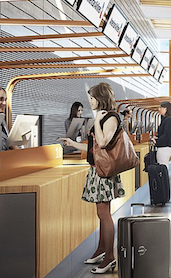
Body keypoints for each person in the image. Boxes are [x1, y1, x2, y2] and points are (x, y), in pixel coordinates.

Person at [60, 83, 125, 274]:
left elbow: (103, 142)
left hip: (104, 173)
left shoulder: (110, 118)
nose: (90, 101)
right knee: (101, 213)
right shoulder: (104, 117)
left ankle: (109, 257)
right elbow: (92, 149)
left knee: (104, 214)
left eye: (92, 98)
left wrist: (96, 121)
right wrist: (72, 143)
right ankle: (101, 250)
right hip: (97, 170)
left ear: (100, 97)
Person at [153, 102, 171, 167]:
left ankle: (165, 177)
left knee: (163, 168)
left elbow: (166, 135)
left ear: (166, 108)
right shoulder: (165, 119)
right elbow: (164, 133)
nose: (159, 109)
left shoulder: (168, 120)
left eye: (161, 107)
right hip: (164, 147)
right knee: (163, 168)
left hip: (165, 148)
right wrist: (157, 137)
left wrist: (156, 141)